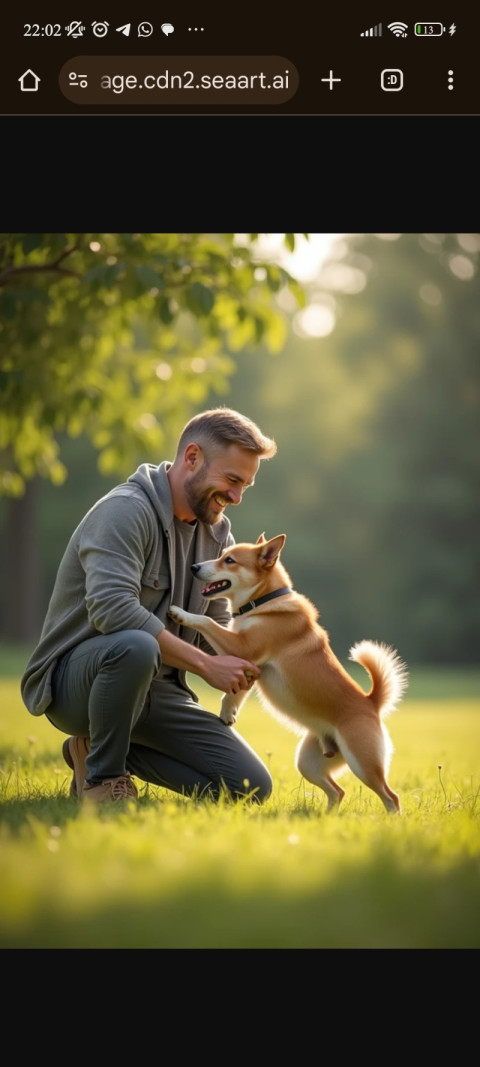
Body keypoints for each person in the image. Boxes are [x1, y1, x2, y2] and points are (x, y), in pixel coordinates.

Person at [21, 407, 277, 806]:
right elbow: (113, 610)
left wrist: (272, 645)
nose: (237, 497)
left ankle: (92, 749)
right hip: (80, 685)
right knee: (137, 646)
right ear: (192, 457)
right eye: (231, 480)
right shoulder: (125, 510)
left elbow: (218, 626)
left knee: (249, 789)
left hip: (159, 691)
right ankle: (103, 781)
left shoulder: (217, 532)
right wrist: (207, 666)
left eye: (245, 485)